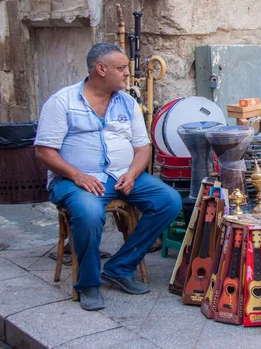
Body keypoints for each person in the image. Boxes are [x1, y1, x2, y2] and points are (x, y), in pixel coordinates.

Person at [35, 43, 182, 311]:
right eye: (121, 68)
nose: (128, 73)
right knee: (90, 212)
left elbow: (142, 148)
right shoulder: (62, 102)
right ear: (101, 70)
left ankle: (120, 267)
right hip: (72, 180)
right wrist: (77, 176)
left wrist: (133, 172)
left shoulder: (127, 103)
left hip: (121, 176)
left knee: (169, 200)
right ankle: (88, 283)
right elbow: (44, 152)